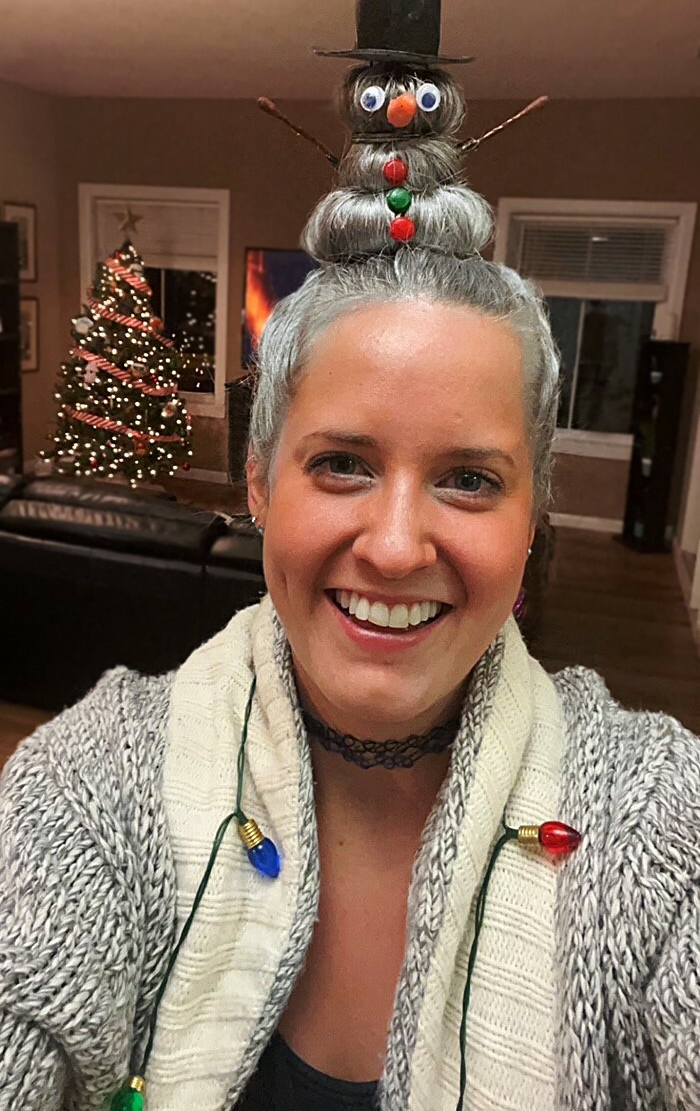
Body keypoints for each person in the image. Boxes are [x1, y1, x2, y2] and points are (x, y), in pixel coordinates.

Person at [1, 239, 699, 1111]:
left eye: (470, 479)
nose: (397, 547)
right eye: (342, 464)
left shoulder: (660, 819)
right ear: (257, 482)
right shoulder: (87, 785)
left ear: (533, 520)